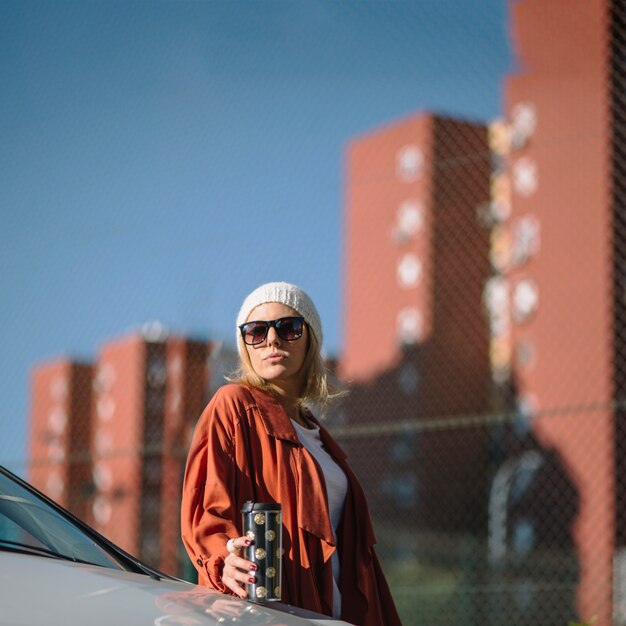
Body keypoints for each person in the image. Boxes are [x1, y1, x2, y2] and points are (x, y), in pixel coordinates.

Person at [181, 281, 402, 626]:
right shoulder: (235, 407)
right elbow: (206, 508)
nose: (272, 339)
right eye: (256, 331)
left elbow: (359, 559)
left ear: (309, 339)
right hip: (268, 613)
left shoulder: (320, 437)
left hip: (335, 615)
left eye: (288, 327)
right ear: (246, 345)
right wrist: (224, 559)